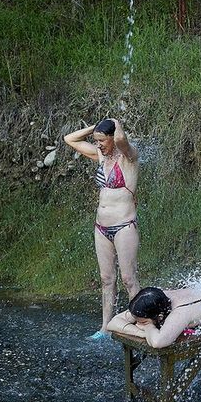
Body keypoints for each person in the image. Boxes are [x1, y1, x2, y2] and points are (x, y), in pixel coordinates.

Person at [64, 118, 140, 340]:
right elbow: (69, 139)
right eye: (96, 141)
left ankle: (140, 322)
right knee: (107, 279)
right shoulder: (101, 155)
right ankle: (106, 327)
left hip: (124, 226)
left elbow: (122, 139)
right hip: (101, 228)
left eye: (102, 141)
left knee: (128, 279)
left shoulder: (129, 157)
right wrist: (96, 128)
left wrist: (115, 122)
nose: (98, 145)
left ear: (112, 138)